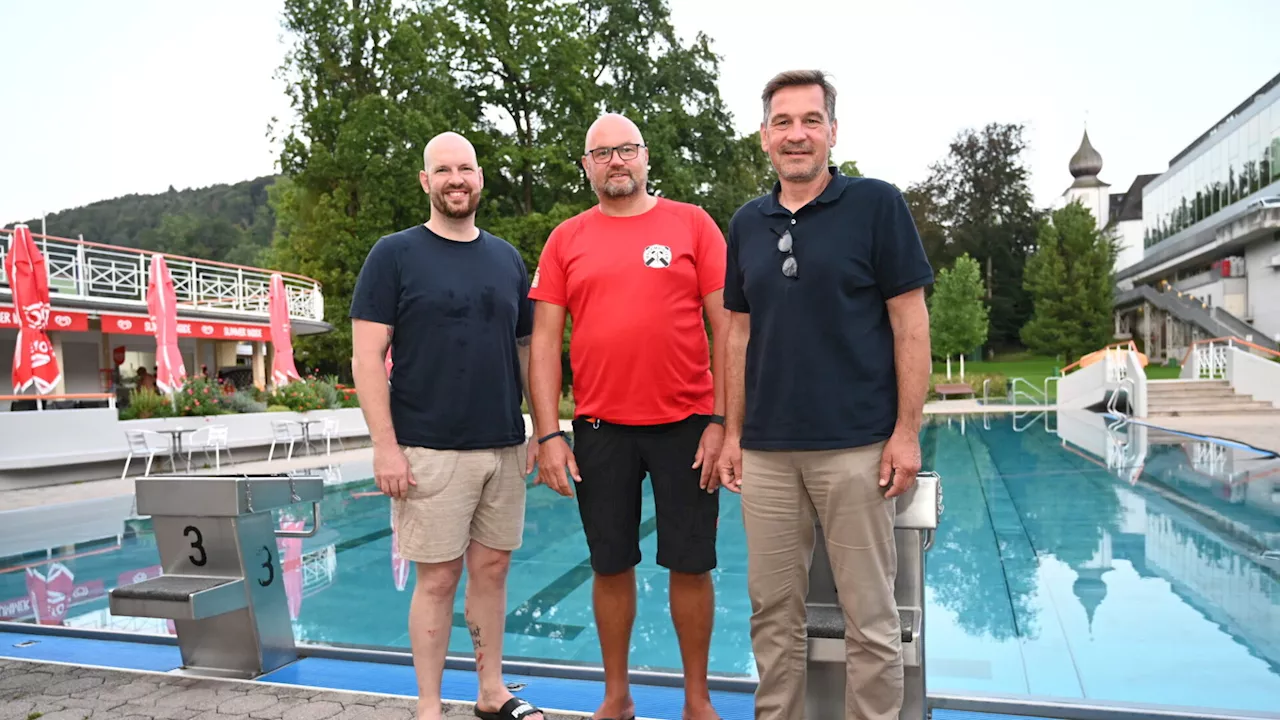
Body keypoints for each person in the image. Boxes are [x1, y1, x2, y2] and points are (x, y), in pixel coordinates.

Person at [716, 70, 934, 720]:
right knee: (772, 617)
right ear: (764, 138)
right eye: (783, 122)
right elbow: (737, 336)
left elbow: (910, 322)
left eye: (810, 120)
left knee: (870, 616)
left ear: (832, 131)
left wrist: (906, 431)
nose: (797, 134)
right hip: (768, 456)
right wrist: (731, 433)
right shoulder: (746, 224)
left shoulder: (876, 205)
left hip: (856, 449)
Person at [528, 113, 729, 720]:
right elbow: (543, 344)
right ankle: (616, 698)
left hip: (688, 425)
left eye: (626, 150)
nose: (616, 161)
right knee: (610, 563)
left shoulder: (692, 224)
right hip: (599, 428)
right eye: (601, 153)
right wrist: (547, 434)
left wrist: (723, 421)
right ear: (587, 168)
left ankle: (697, 700)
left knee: (691, 564)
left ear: (645, 158)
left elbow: (728, 328)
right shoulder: (566, 239)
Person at [349, 131, 544, 720]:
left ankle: (491, 692)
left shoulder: (507, 257)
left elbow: (528, 348)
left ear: (480, 178)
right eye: (443, 170)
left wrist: (540, 426)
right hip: (428, 447)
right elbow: (365, 357)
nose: (456, 180)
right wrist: (386, 447)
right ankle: (429, 708)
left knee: (492, 569)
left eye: (465, 169)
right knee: (437, 580)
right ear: (426, 181)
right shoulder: (394, 254)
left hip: (503, 445)